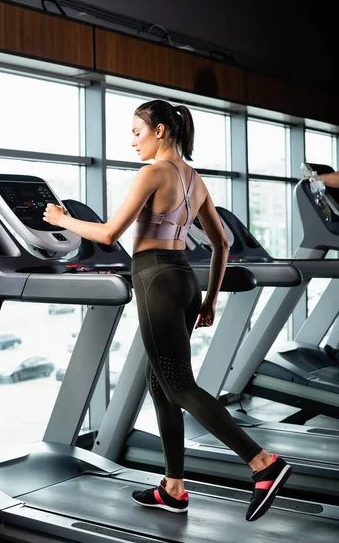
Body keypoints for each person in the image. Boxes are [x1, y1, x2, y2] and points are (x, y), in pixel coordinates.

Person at [43, 99, 292, 522]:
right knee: (160, 383)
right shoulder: (194, 179)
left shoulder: (153, 172)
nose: (133, 141)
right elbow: (223, 244)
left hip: (155, 278)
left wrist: (61, 219)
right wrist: (210, 298)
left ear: (160, 131)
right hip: (184, 281)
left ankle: (262, 464)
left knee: (178, 386)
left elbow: (108, 233)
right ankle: (173, 488)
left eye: (137, 133)